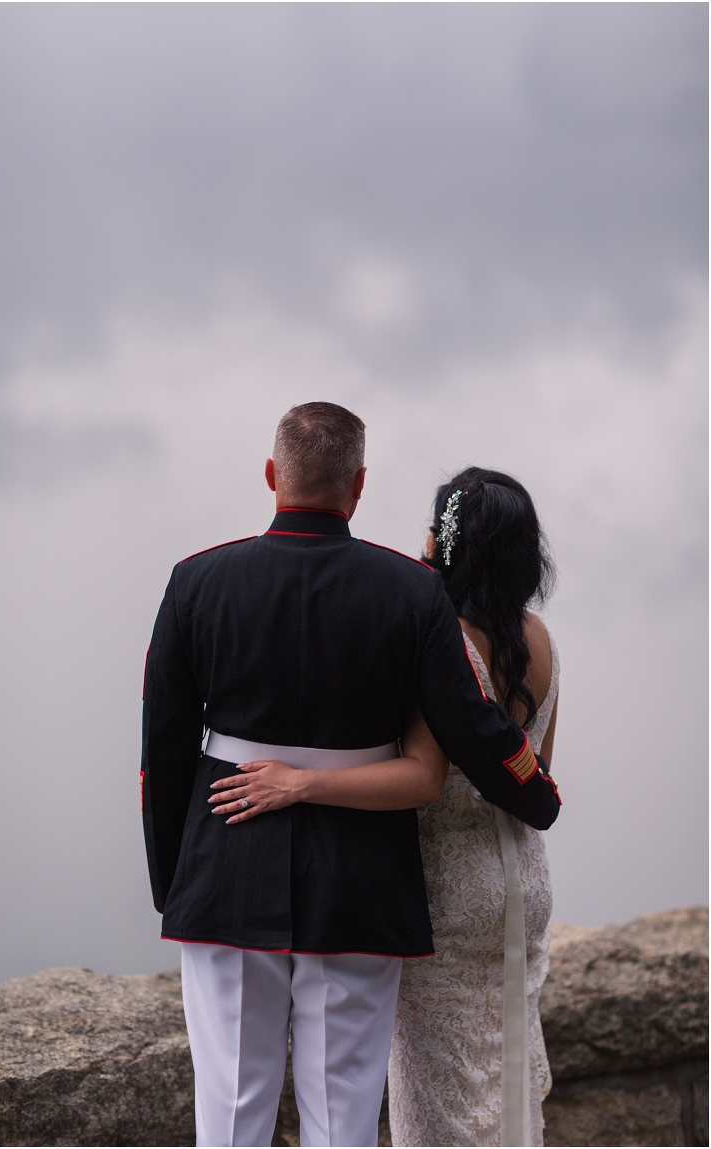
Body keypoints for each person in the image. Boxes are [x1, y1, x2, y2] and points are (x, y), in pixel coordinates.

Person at [141, 408, 561, 1149]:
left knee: (231, 1114)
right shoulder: (411, 590)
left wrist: (174, 881)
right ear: (359, 485)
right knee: (344, 1119)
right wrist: (536, 792)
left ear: (272, 476)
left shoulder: (194, 580)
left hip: (227, 863)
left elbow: (164, 751)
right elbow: (471, 720)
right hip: (360, 875)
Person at [388, 468, 560, 1148]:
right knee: (506, 1081)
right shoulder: (539, 639)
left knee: (440, 1096)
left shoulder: (444, 645)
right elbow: (544, 770)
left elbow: (423, 772)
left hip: (450, 892)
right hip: (524, 878)